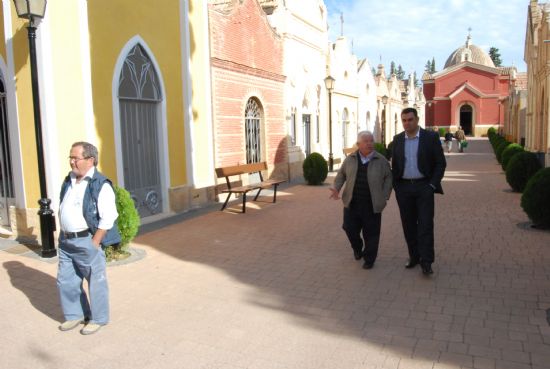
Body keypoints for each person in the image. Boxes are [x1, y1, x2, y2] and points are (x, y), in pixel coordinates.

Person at [57, 142, 120, 335]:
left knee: (96, 281)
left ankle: (98, 318)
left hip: (86, 241)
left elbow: (108, 217)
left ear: (90, 160)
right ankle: (75, 315)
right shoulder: (69, 180)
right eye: (70, 157)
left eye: (76, 158)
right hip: (66, 241)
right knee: (66, 281)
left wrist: (95, 243)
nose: (72, 162)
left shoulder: (100, 184)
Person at [391, 108, 446, 275]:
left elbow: (440, 163)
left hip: (424, 187)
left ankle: (426, 261)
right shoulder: (398, 139)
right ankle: (414, 256)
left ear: (417, 119)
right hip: (404, 188)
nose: (407, 123)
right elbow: (395, 165)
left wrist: (431, 185)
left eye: (410, 119)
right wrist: (396, 186)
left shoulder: (430, 138)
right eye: (404, 120)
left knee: (425, 225)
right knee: (408, 225)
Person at [329, 131, 392, 269]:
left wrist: (385, 195)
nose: (370, 144)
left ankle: (369, 259)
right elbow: (341, 175)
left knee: (372, 233)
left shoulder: (381, 160)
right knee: (349, 228)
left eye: (371, 141)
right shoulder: (350, 159)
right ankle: (357, 248)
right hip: (352, 203)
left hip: (372, 204)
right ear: (358, 144)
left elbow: (389, 177)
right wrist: (336, 188)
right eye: (366, 141)